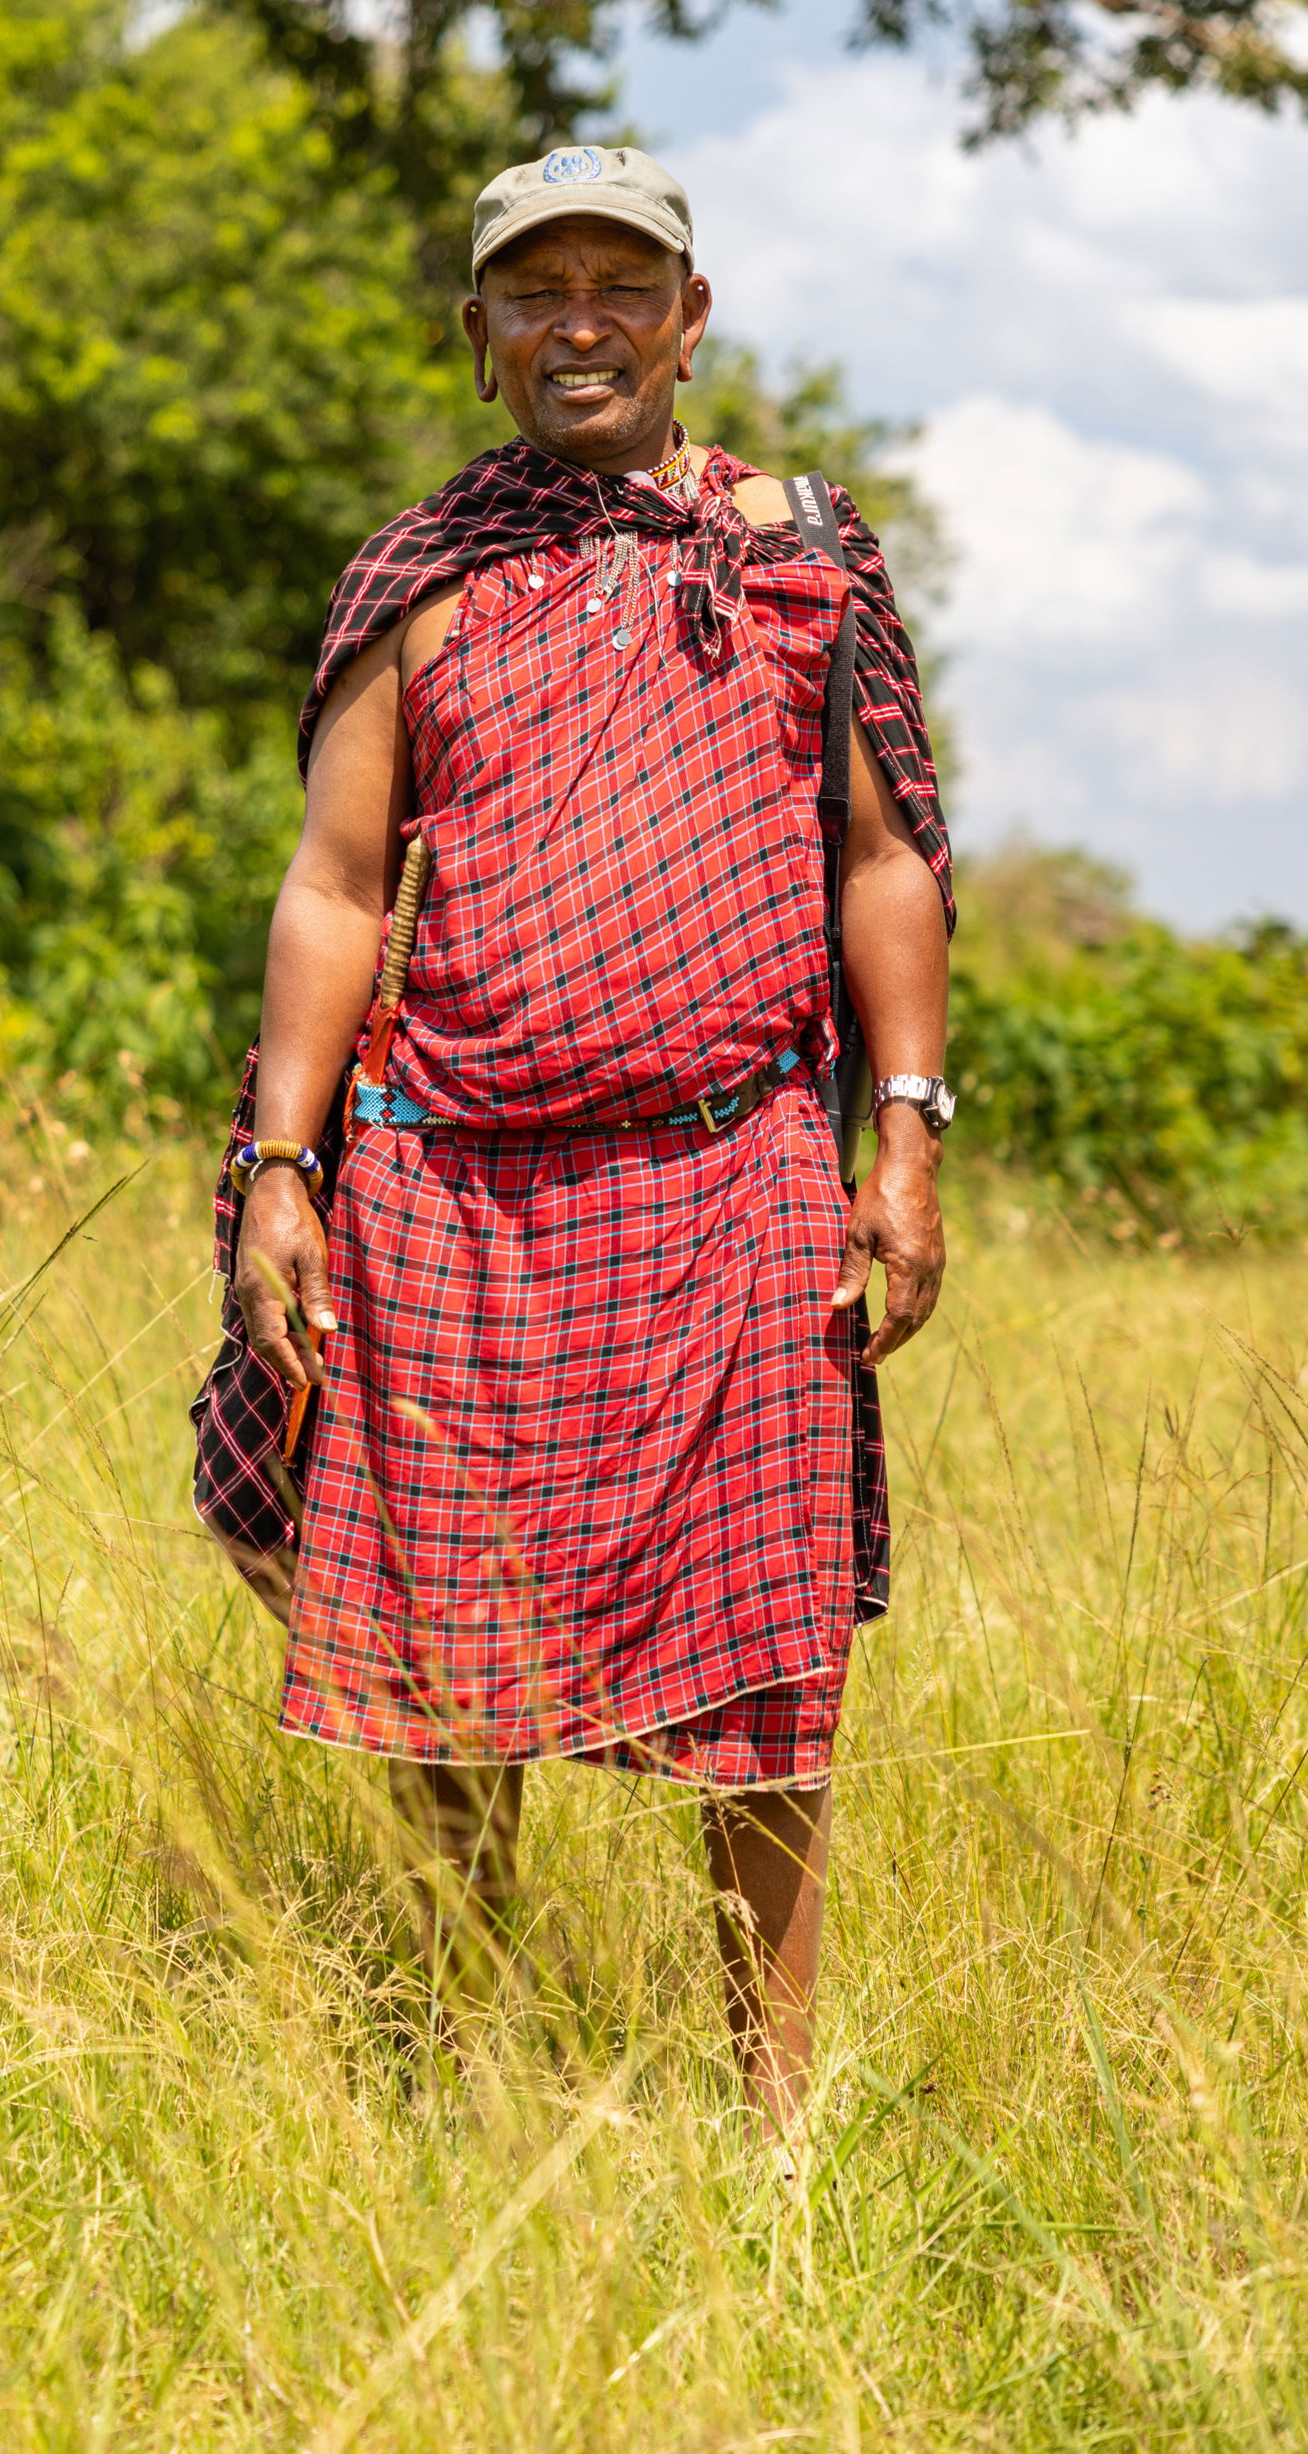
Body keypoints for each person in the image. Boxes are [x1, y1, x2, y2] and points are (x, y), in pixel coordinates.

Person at [219, 144, 952, 2139]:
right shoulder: (419, 575)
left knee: (769, 1676)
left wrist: (902, 1133)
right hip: (446, 1187)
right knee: (450, 1670)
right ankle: (452, 2096)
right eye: (534, 291)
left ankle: (776, 2133)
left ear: (689, 322)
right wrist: (282, 1166)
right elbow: (333, 885)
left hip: (738, 1180)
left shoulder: (805, 555)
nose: (580, 324)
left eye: (620, 285)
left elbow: (884, 857)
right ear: (478, 336)